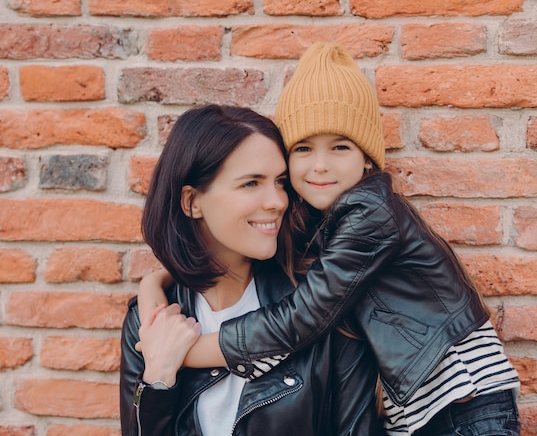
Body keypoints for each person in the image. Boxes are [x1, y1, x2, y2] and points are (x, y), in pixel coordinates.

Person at [138, 43, 521, 435]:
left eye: (340, 147)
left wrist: (187, 352)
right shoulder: (326, 227)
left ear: (367, 159)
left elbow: (300, 319)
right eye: (303, 148)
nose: (320, 165)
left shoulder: (372, 212)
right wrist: (155, 283)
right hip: (423, 414)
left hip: (467, 406)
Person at [119, 103, 385, 436]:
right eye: (251, 184)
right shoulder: (147, 325)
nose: (277, 201)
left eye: (280, 182)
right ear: (192, 202)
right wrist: (158, 374)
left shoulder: (322, 307)